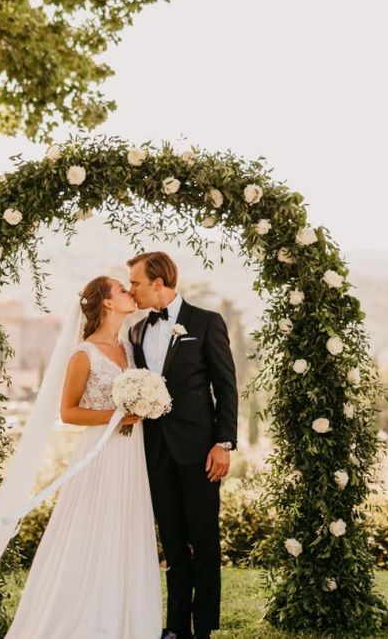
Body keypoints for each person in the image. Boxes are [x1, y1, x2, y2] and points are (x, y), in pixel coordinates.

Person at [5, 275, 163, 638]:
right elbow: (69, 412)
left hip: (132, 452)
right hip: (100, 453)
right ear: (107, 303)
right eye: (122, 289)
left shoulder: (129, 348)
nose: (130, 292)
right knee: (95, 529)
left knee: (128, 526)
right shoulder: (84, 353)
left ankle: (129, 618)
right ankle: (87, 618)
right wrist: (118, 416)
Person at [127, 252, 238, 639]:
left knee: (204, 541)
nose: (131, 290)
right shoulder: (136, 331)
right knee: (172, 545)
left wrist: (223, 443)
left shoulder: (206, 322)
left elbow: (225, 387)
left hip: (200, 451)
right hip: (156, 452)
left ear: (159, 283)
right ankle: (176, 629)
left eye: (136, 283)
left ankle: (203, 627)